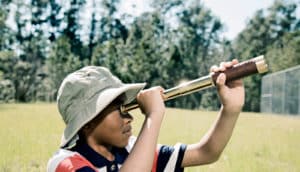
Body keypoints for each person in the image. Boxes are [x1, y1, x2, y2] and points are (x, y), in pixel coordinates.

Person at [47, 59, 244, 172]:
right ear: (86, 123)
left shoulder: (133, 149)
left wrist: (230, 109)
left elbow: (206, 153)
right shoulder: (65, 163)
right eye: (119, 110)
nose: (129, 118)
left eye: (127, 108)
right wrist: (153, 116)